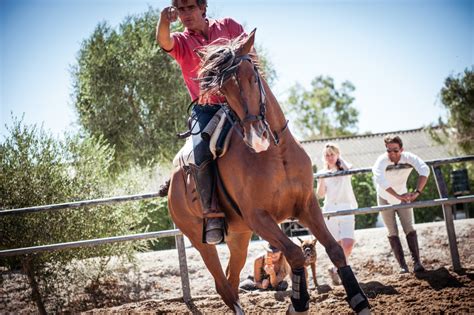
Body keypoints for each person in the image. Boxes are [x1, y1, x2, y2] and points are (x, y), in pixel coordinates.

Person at [156, 0, 246, 244]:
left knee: (269, 128)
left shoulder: (229, 26)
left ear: (203, 7)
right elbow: (164, 41)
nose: (185, 14)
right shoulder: (182, 42)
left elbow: (250, 57)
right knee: (200, 151)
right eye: (181, 10)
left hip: (238, 102)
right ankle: (212, 213)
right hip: (206, 110)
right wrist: (164, 19)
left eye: (190, 8)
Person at [372, 135, 429, 273]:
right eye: (389, 150)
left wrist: (416, 193)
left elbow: (424, 169)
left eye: (395, 150)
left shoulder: (408, 157)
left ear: (401, 149)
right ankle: (402, 266)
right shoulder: (382, 160)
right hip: (385, 197)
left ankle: (417, 263)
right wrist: (398, 196)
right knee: (392, 231)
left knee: (409, 227)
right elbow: (379, 179)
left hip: (403, 194)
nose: (392, 153)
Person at [316, 143, 358, 285]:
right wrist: (321, 178)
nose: (330, 157)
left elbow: (350, 169)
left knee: (348, 243)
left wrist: (340, 160)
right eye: (327, 155)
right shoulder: (323, 173)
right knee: (337, 244)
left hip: (347, 206)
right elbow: (320, 194)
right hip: (330, 209)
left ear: (338, 155)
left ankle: (336, 268)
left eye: (332, 154)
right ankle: (343, 271)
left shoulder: (344, 168)